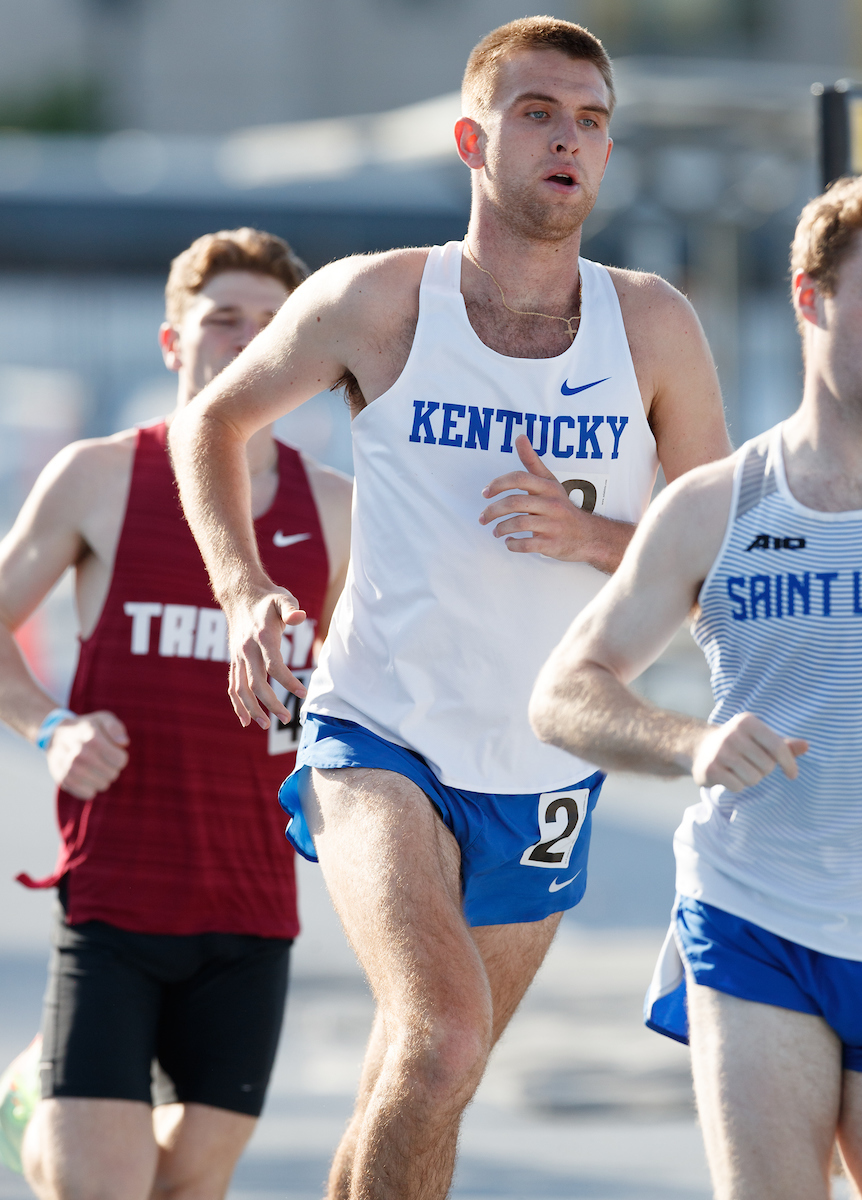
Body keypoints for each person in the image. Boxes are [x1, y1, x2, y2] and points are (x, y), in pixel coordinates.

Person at [168, 17, 730, 1200]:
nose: (567, 140)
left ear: (610, 156)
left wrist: (593, 538)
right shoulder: (378, 300)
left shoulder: (655, 327)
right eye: (538, 114)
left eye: (590, 121)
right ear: (474, 139)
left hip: (546, 760)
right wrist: (247, 588)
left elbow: (722, 558)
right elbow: (211, 420)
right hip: (382, 733)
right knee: (445, 1037)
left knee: (419, 1077)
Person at [529, 163, 862, 1200]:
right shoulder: (715, 506)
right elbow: (564, 690)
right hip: (755, 914)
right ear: (811, 296)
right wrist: (690, 744)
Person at [0, 228, 351, 1200]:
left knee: (186, 1188)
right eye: (223, 319)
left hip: (252, 906)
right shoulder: (102, 477)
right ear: (173, 343)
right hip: (116, 897)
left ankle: (60, 1098)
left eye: (272, 326)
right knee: (99, 1188)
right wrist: (49, 725)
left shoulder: (338, 512)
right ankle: (39, 1102)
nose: (246, 341)